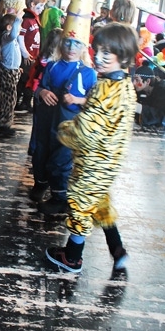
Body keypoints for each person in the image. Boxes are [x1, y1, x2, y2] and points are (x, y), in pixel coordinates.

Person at [45, 22, 139, 275]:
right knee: (99, 202)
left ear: (124, 57)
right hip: (110, 161)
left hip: (93, 162)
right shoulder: (125, 86)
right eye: (97, 50)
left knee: (80, 204)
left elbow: (85, 130)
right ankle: (118, 250)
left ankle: (72, 257)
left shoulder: (104, 89)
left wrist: (65, 129)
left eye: (107, 53)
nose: (98, 57)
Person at [30, 30, 97, 214]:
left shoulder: (88, 73)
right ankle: (40, 183)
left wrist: (77, 99)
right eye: (67, 42)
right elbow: (39, 87)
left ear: (84, 47)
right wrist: (42, 92)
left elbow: (95, 102)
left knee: (61, 159)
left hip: (69, 123)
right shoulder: (52, 66)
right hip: (46, 120)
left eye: (77, 43)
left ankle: (59, 197)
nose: (71, 47)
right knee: (40, 153)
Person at [25, 27, 63, 156]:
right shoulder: (53, 63)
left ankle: (33, 147)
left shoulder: (42, 57)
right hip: (45, 95)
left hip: (38, 93)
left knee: (37, 123)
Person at [16, 0, 48, 112]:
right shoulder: (27, 20)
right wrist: (25, 53)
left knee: (30, 79)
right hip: (27, 56)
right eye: (40, 6)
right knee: (23, 79)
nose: (42, 9)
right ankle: (18, 101)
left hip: (33, 55)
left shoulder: (34, 19)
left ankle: (26, 102)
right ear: (32, 4)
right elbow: (20, 36)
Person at [0, 12, 22, 136]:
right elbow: (14, 34)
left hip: (12, 70)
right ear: (9, 27)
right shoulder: (7, 37)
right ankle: (4, 124)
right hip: (8, 72)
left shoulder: (12, 40)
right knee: (9, 99)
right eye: (18, 26)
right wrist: (18, 19)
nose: (20, 28)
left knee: (9, 98)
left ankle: (4, 122)